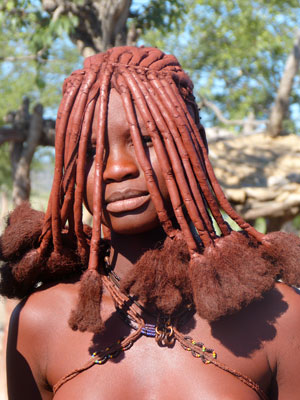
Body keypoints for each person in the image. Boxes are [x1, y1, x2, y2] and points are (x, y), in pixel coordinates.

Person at [1, 46, 300, 400]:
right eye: (92, 153)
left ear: (194, 143)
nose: (117, 169)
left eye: (145, 141)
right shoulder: (39, 322)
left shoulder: (278, 318)